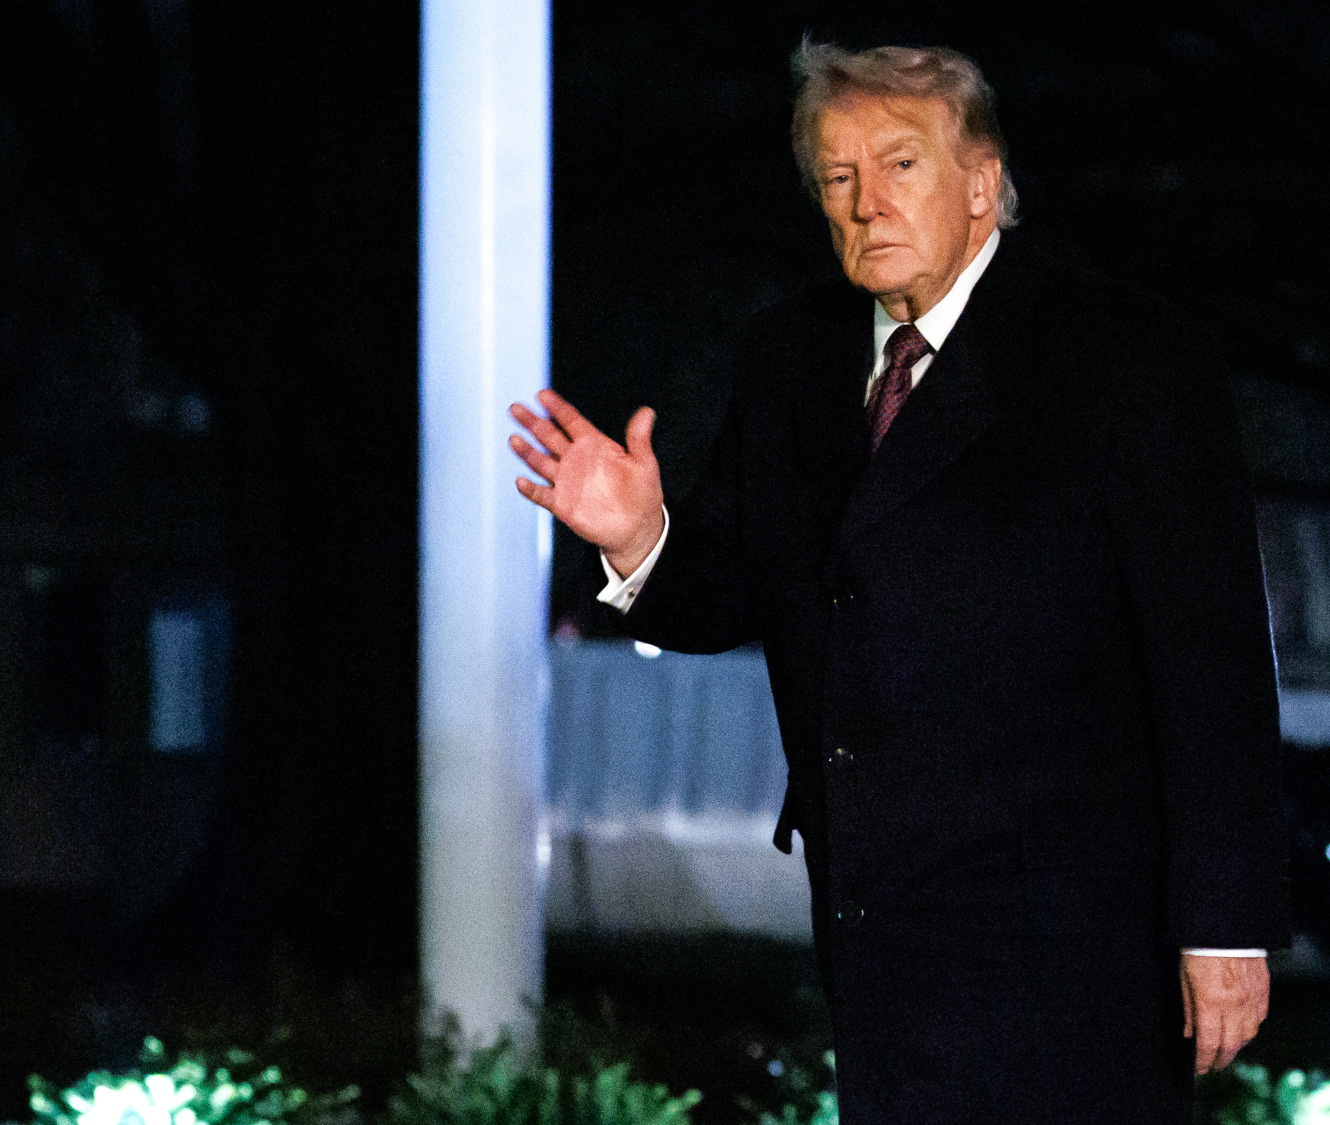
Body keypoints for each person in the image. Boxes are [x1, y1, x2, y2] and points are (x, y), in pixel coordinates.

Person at [509, 40, 1287, 1123]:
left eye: (899, 165)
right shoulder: (790, 357)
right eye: (837, 178)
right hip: (878, 922)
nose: (865, 202)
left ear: (981, 182)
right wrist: (639, 536)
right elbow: (728, 593)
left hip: (1075, 936)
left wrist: (1222, 926)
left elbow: (1210, 667)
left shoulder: (1125, 359)